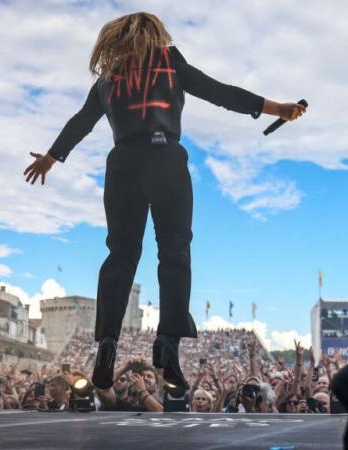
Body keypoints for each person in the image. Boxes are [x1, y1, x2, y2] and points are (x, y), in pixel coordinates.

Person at [23, 11, 306, 393]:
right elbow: (219, 92)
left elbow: (81, 122)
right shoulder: (169, 61)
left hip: (122, 164)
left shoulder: (108, 79)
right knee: (174, 251)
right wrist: (278, 108)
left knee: (120, 255)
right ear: (154, 34)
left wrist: (52, 157)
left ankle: (107, 345)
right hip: (165, 159)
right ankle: (167, 345)